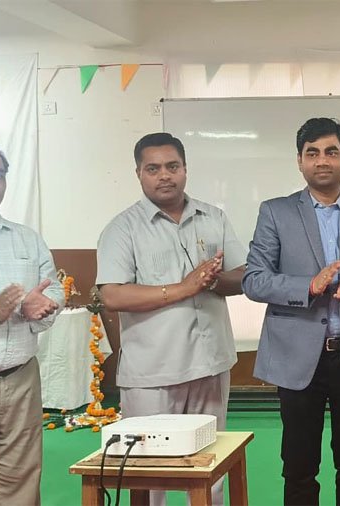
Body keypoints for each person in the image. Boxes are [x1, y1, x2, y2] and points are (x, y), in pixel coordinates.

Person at [242, 118, 340, 505]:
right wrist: (308, 286)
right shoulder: (275, 212)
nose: (322, 160)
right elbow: (254, 280)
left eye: (331, 152)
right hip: (296, 357)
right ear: (300, 161)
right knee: (299, 467)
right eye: (312, 153)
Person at [96, 132, 246, 506]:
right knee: (149, 477)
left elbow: (243, 274)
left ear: (185, 169)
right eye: (153, 168)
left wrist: (214, 281)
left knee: (210, 470)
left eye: (172, 166)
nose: (164, 175)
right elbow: (112, 295)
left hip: (211, 364)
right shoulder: (122, 228)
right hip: (153, 373)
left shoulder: (214, 217)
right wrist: (183, 288)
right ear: (139, 173)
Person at [0, 139, 63, 505]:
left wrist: (41, 307)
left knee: (20, 489)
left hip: (21, 379)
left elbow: (54, 290)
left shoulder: (26, 238)